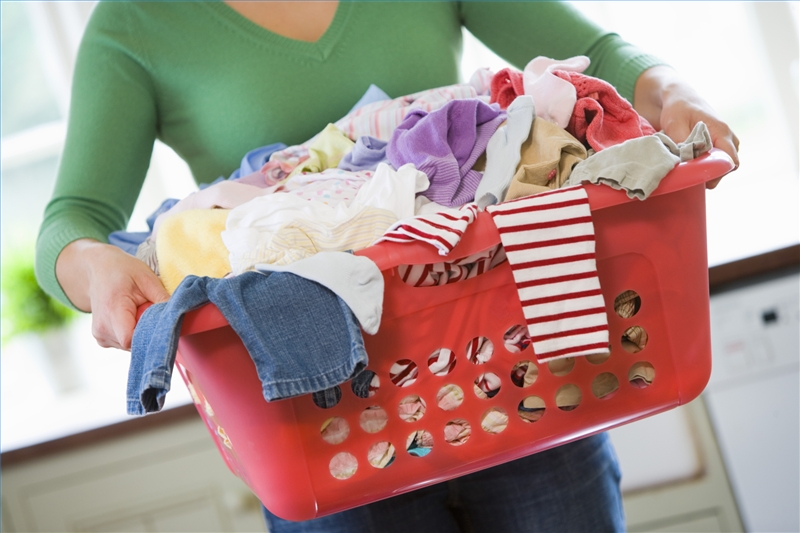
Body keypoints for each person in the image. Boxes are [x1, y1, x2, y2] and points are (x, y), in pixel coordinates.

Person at [35, 2, 739, 531]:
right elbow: (72, 216)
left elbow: (593, 52)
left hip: (515, 378)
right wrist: (92, 262)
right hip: (322, 433)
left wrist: (676, 95)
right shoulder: (136, 24)